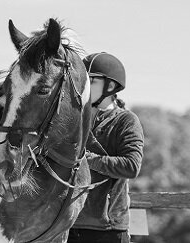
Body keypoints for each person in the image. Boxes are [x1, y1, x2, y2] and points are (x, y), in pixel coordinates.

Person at [68, 52, 144, 243]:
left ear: (110, 86)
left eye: (91, 81)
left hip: (107, 229)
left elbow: (131, 166)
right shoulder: (75, 120)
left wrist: (85, 159)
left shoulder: (126, 120)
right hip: (67, 222)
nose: (84, 87)